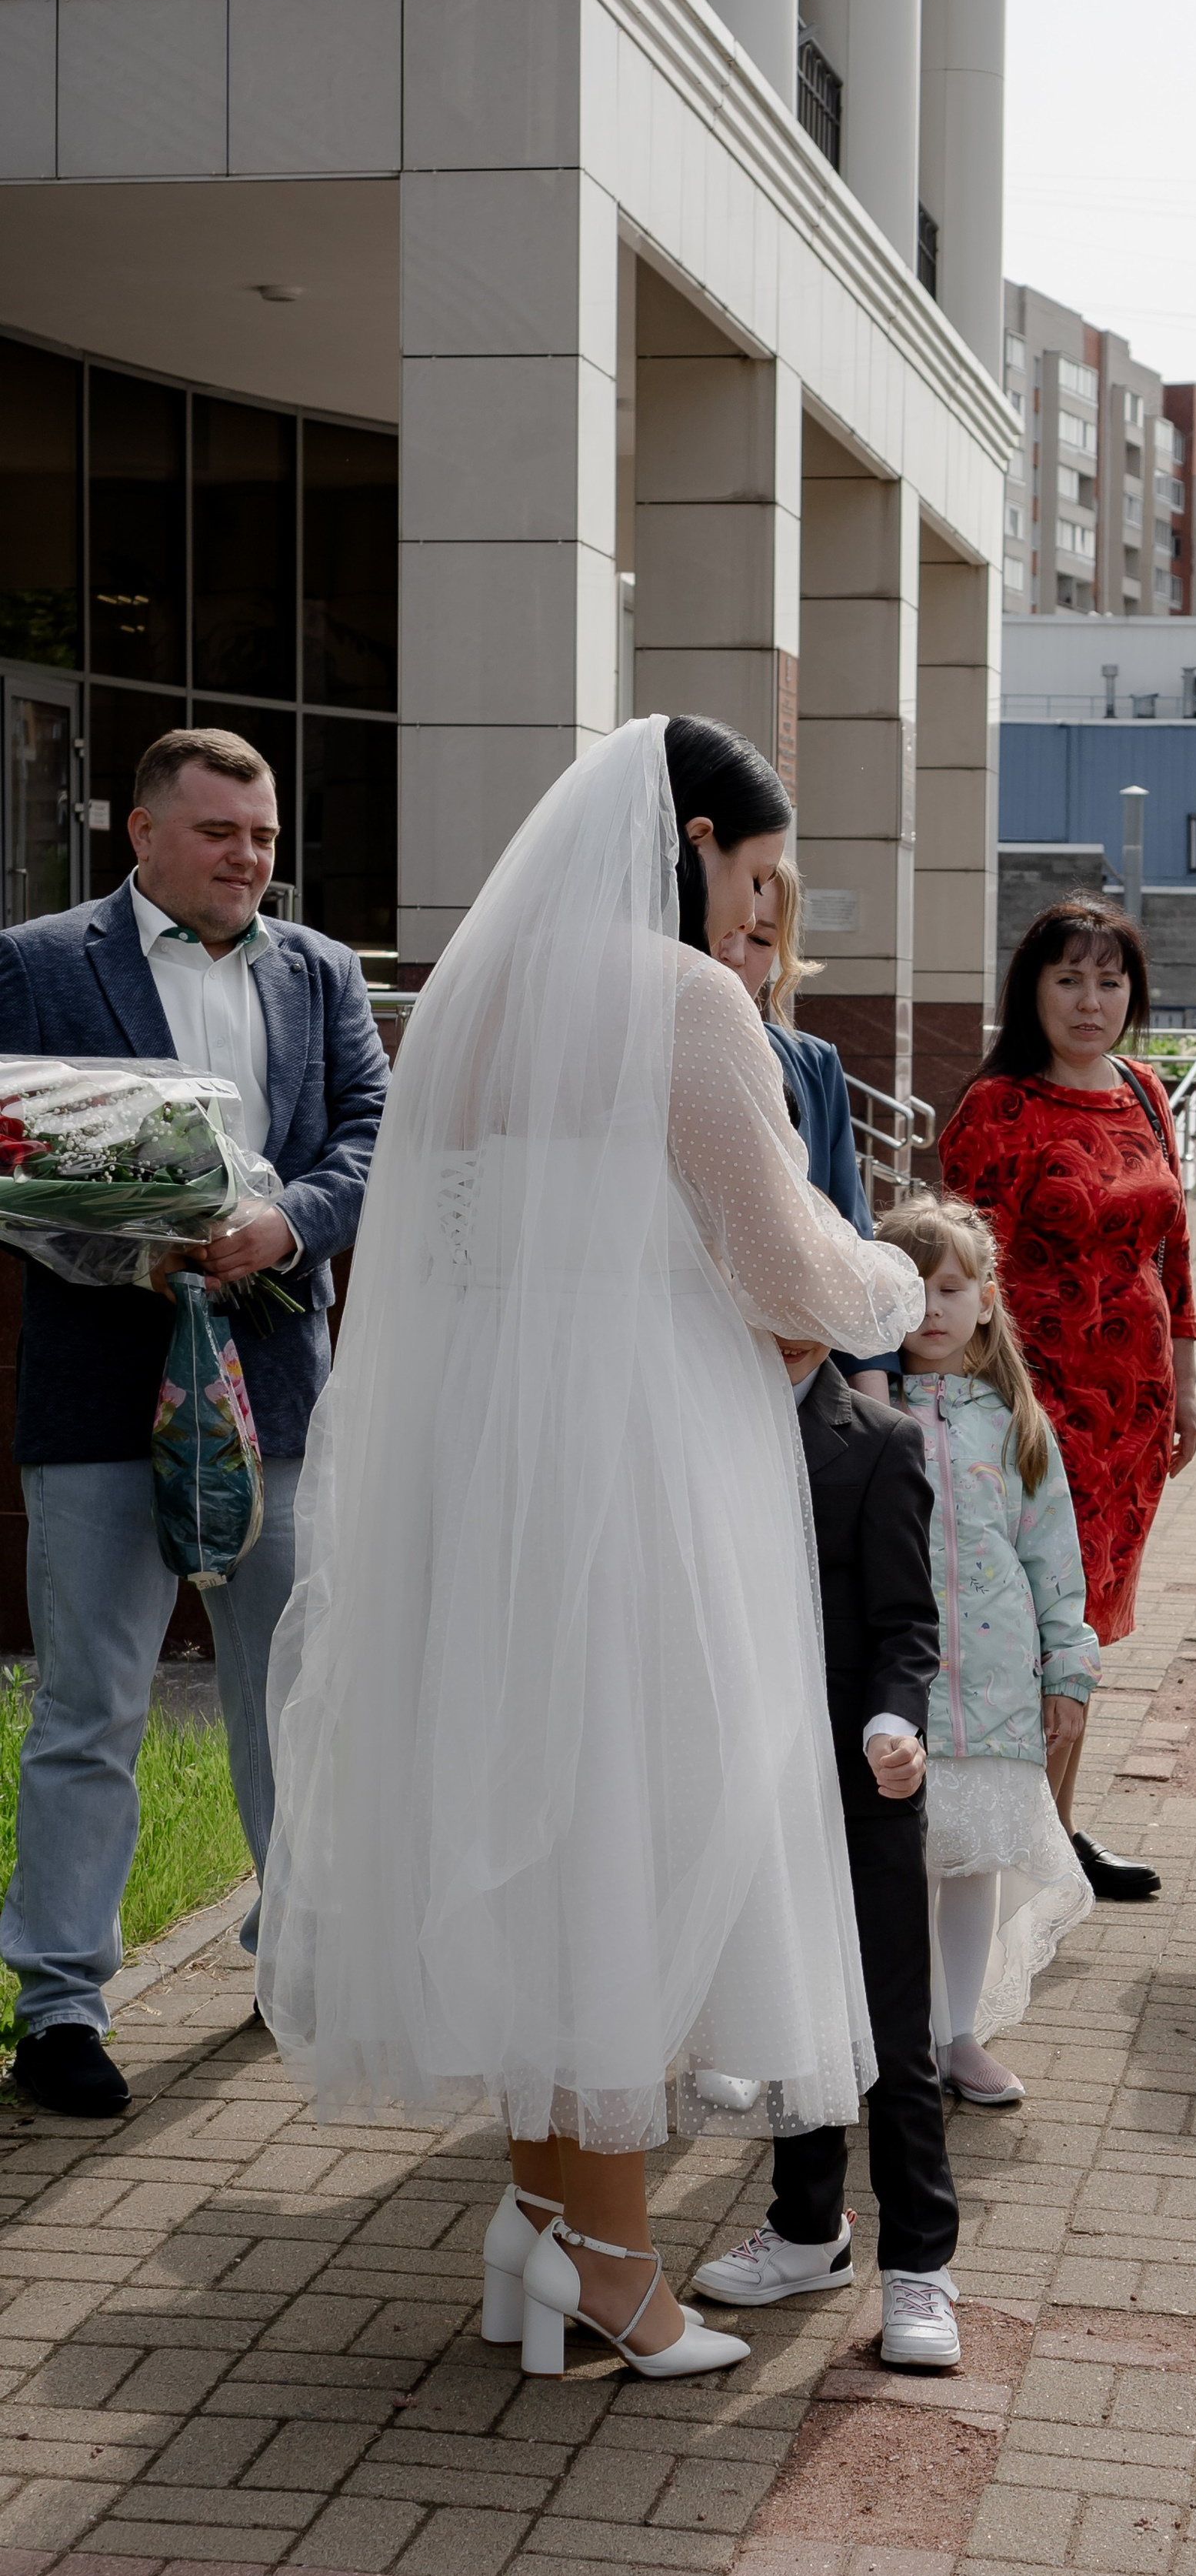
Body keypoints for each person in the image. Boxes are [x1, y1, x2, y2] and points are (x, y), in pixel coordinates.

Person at [255, 713, 924, 2384]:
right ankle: (612, 2264)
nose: (762, 912)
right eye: (756, 875)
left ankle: (545, 2224)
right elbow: (781, 1264)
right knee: (628, 1823)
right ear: (691, 844)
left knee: (540, 1820)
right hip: (638, 1462)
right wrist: (902, 1281)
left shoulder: (475, 1004)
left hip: (485, 1470)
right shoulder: (683, 1003)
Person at [0, 727, 388, 2118]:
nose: (248, 858)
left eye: (265, 836)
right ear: (144, 833)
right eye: (221, 832)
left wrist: (286, 1226)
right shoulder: (38, 963)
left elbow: (373, 1132)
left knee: (292, 1691)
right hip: (100, 1387)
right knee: (91, 1702)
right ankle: (60, 2004)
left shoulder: (320, 971)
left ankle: (297, 1948)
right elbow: (12, 1149)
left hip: (275, 1382)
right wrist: (124, 1248)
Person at [691, 1329, 962, 2370]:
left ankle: (921, 2266)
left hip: (859, 1779)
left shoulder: (881, 1440)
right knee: (787, 2012)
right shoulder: (697, 1428)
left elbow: (906, 1624)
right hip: (744, 1778)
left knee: (891, 2035)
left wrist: (895, 1726)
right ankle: (808, 2230)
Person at [939, 900, 1196, 1906]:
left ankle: (1054, 1830)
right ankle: (1018, 1848)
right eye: (1069, 980)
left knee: (1081, 1624)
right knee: (1032, 1623)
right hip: (1033, 1413)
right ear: (1032, 991)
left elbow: (1173, 1251)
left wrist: (1187, 1383)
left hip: (1134, 1413)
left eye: (1110, 982)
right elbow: (961, 1277)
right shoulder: (997, 1107)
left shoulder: (1144, 1090)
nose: (1091, 1002)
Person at [875, 1196, 1100, 2104]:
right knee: (899, 1865)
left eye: (949, 1289)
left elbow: (1052, 1555)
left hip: (998, 1684)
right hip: (900, 1689)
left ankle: (957, 2034)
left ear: (985, 1300)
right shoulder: (860, 1412)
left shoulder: (1014, 1422)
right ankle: (892, 2038)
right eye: (910, 1290)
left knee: (971, 1865)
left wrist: (1068, 1668)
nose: (931, 1309)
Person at [721, 855, 895, 1400]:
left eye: (762, 940)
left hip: (799, 1367)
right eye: (724, 931)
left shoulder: (813, 1063)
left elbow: (848, 1231)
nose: (736, 956)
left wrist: (872, 1397)